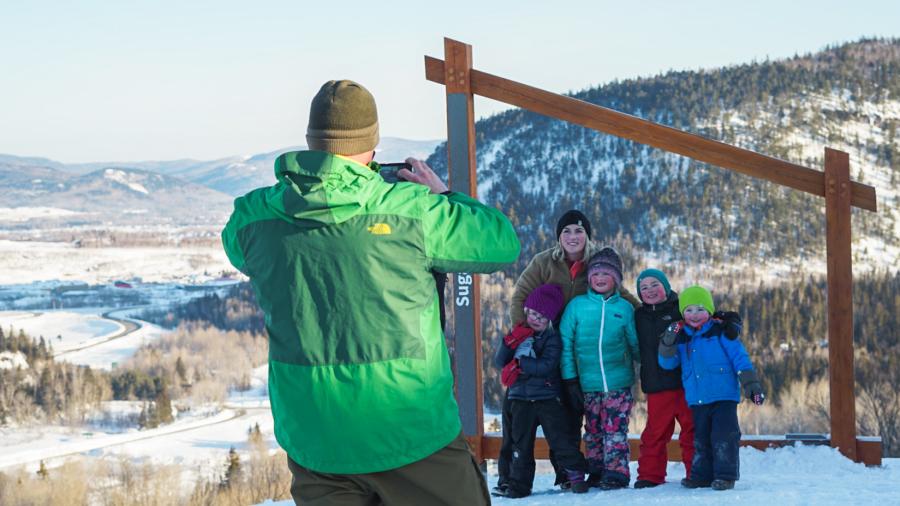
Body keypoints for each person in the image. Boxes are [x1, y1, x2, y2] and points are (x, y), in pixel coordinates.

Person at [221, 79, 520, 505]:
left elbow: (238, 246)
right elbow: (500, 242)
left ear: (310, 140)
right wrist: (444, 195)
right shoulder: (413, 210)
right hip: (410, 429)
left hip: (315, 435)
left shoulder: (254, 217)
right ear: (372, 145)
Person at [498, 210, 640, 491]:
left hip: (576, 353)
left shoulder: (598, 262)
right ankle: (510, 477)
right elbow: (520, 296)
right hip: (544, 348)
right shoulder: (544, 262)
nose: (573, 237)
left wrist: (654, 316)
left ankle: (568, 472)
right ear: (558, 237)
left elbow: (622, 297)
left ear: (587, 236)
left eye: (578, 231)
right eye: (566, 232)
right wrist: (525, 336)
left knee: (568, 418)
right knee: (517, 414)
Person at [658, 285, 765, 491]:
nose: (694, 315)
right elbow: (667, 363)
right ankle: (701, 476)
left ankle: (725, 475)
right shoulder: (682, 337)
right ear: (683, 313)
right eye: (689, 310)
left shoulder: (721, 332)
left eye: (700, 309)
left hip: (723, 395)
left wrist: (752, 386)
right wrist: (668, 342)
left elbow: (740, 358)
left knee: (724, 436)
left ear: (709, 310)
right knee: (701, 438)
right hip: (698, 397)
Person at [492, 283, 589, 498]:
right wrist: (508, 344)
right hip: (520, 398)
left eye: (542, 317)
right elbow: (500, 361)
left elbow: (546, 366)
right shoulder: (518, 334)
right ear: (526, 311)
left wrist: (521, 364)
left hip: (546, 398)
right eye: (533, 313)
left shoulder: (552, 339)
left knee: (559, 439)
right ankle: (518, 485)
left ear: (549, 320)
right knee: (520, 444)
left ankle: (575, 473)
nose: (536, 319)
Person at [559, 247, 640, 490]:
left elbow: (635, 343)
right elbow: (566, 344)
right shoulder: (577, 306)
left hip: (618, 382)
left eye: (606, 274)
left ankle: (616, 473)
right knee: (593, 429)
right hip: (586, 382)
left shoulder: (624, 309)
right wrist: (570, 379)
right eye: (595, 274)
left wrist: (645, 368)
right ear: (589, 278)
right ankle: (595, 470)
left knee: (615, 429)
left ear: (615, 278)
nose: (600, 278)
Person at [633, 268, 694, 488]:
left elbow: (703, 315)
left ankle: (696, 471)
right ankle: (650, 475)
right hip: (657, 385)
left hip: (685, 383)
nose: (650, 291)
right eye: (644, 287)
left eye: (654, 285)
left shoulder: (680, 308)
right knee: (655, 433)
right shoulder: (638, 315)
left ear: (666, 286)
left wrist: (726, 319)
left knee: (692, 430)